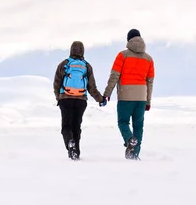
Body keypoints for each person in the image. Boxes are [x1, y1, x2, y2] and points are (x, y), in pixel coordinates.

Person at [103, 29, 155, 160]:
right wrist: (148, 101)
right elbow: (150, 82)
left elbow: (114, 76)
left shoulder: (122, 55)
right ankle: (134, 154)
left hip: (125, 96)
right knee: (138, 126)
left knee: (123, 122)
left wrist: (107, 93)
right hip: (141, 98)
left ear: (128, 40)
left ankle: (129, 139)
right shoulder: (149, 59)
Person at [54, 40, 106, 160]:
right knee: (76, 126)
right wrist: (100, 99)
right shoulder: (87, 66)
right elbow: (92, 87)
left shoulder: (64, 64)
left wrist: (59, 97)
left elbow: (56, 83)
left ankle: (69, 143)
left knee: (66, 126)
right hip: (81, 101)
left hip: (65, 99)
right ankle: (76, 152)